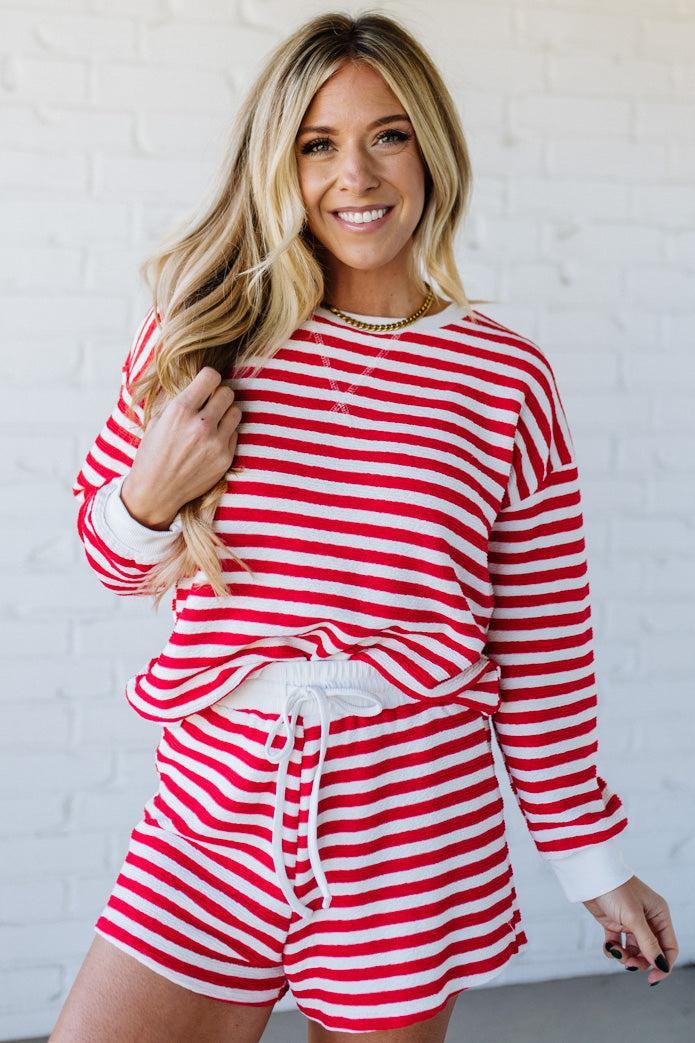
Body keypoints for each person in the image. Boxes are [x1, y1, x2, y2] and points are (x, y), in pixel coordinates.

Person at [51, 11, 678, 1043]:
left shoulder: (501, 375)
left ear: (430, 147)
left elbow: (543, 644)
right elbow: (107, 560)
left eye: (386, 134)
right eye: (317, 143)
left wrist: (592, 863)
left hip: (410, 821)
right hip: (210, 812)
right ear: (278, 162)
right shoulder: (202, 336)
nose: (356, 174)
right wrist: (146, 498)